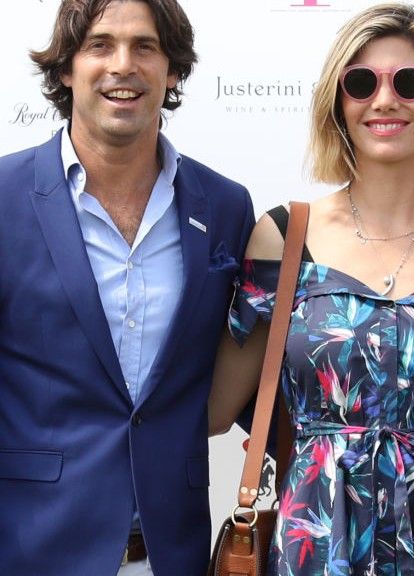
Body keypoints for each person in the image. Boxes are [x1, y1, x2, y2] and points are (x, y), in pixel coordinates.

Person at [207, 4, 414, 575]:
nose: (384, 100)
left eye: (407, 81)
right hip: (321, 536)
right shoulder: (282, 235)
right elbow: (216, 406)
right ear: (338, 104)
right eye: (361, 83)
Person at [0, 0, 255, 574]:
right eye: (100, 45)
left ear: (173, 70)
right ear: (66, 68)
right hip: (30, 552)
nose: (124, 65)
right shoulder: (4, 198)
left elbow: (249, 369)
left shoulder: (226, 207)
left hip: (169, 554)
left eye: (145, 47)